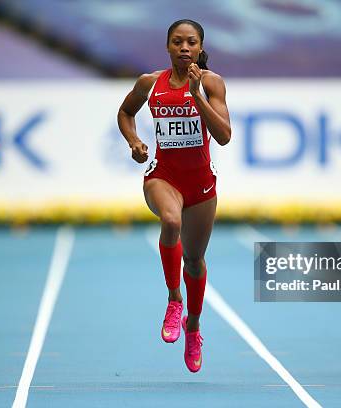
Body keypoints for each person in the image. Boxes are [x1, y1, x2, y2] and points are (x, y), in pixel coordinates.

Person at [117, 19, 231, 373]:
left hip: (200, 184)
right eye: (177, 42)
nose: (184, 47)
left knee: (194, 262)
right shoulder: (149, 83)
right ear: (167, 47)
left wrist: (197, 96)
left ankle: (193, 328)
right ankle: (173, 299)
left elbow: (224, 136)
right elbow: (125, 112)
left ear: (200, 48)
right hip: (163, 176)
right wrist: (134, 141)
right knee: (170, 220)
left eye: (191, 42)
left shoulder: (212, 83)